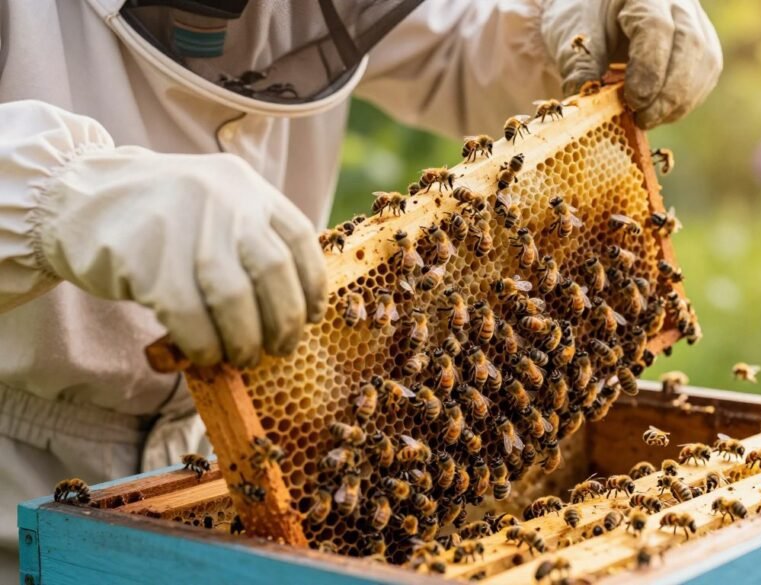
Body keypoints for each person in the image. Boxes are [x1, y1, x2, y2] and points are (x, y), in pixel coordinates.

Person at [0, 0, 721, 576]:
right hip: (17, 472)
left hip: (257, 454)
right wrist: (62, 195)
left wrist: (570, 20)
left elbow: (445, 35)